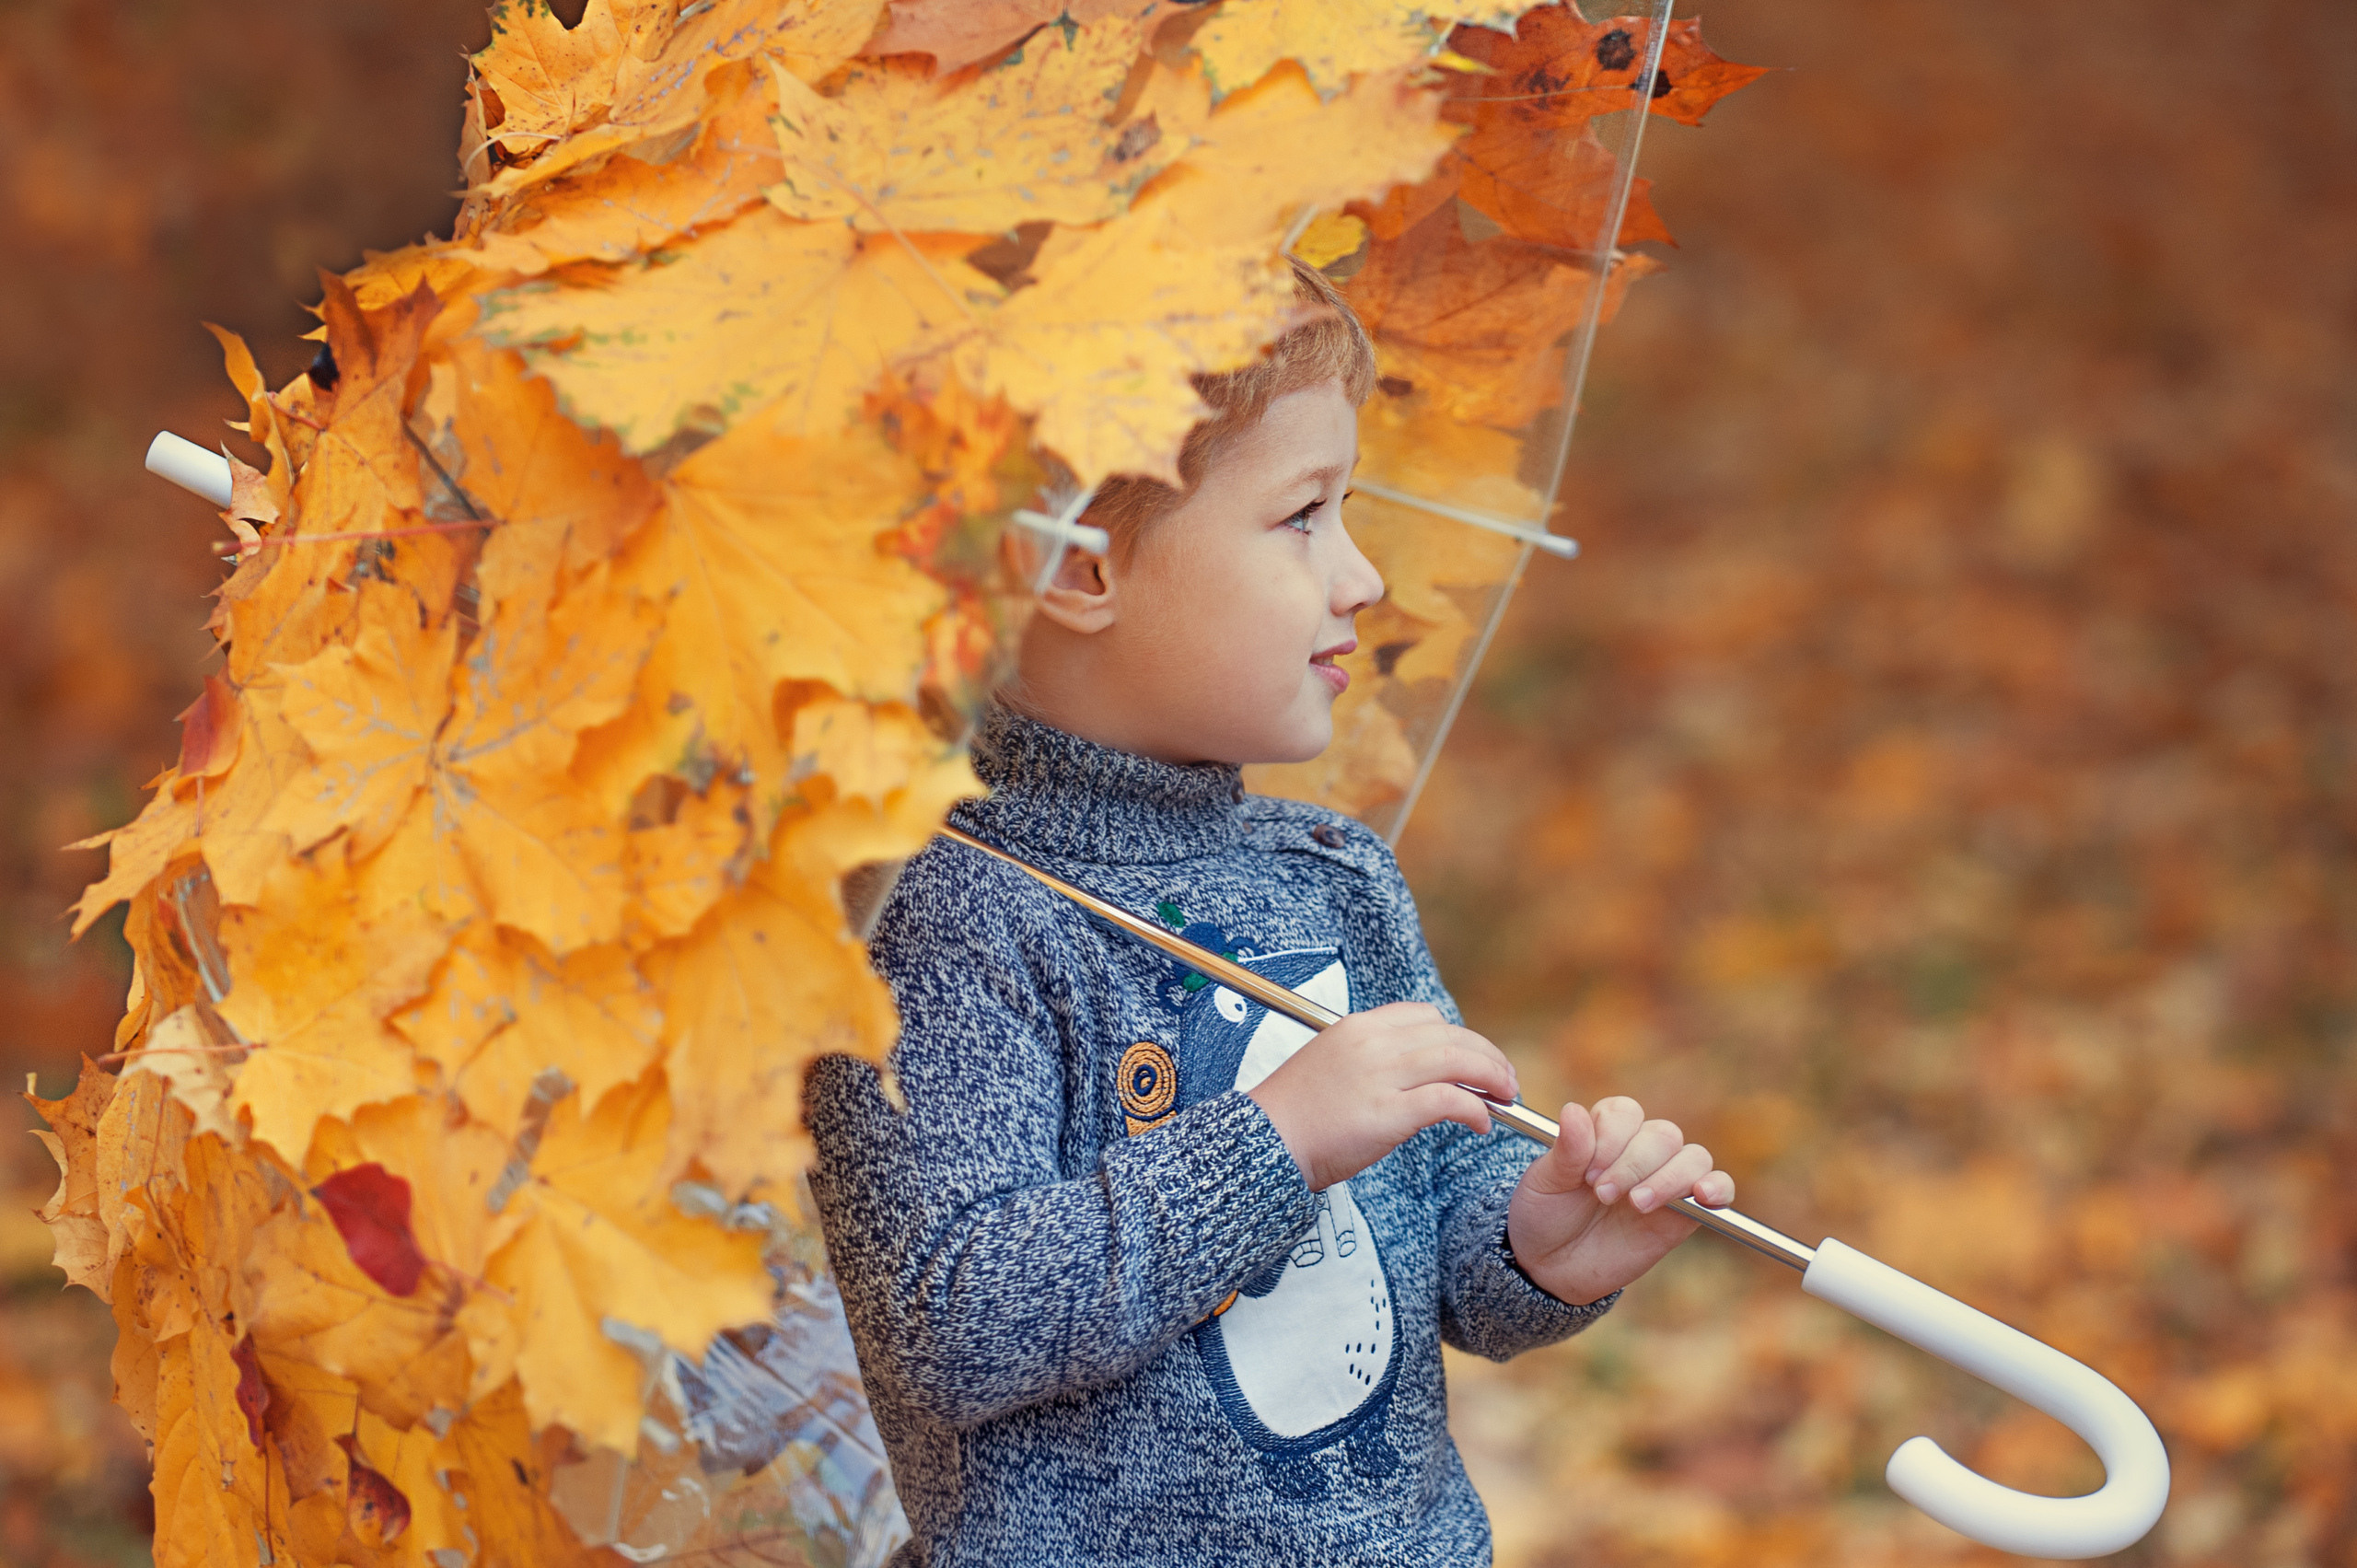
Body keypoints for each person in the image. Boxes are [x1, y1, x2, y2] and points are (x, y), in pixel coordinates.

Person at [803, 260, 1736, 1566]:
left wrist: (1537, 1242)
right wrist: (1277, 1139)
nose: (1359, 576)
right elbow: (949, 1323)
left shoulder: (1332, 870)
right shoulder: (949, 921)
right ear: (1072, 567)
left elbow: (1421, 1236)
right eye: (1302, 516)